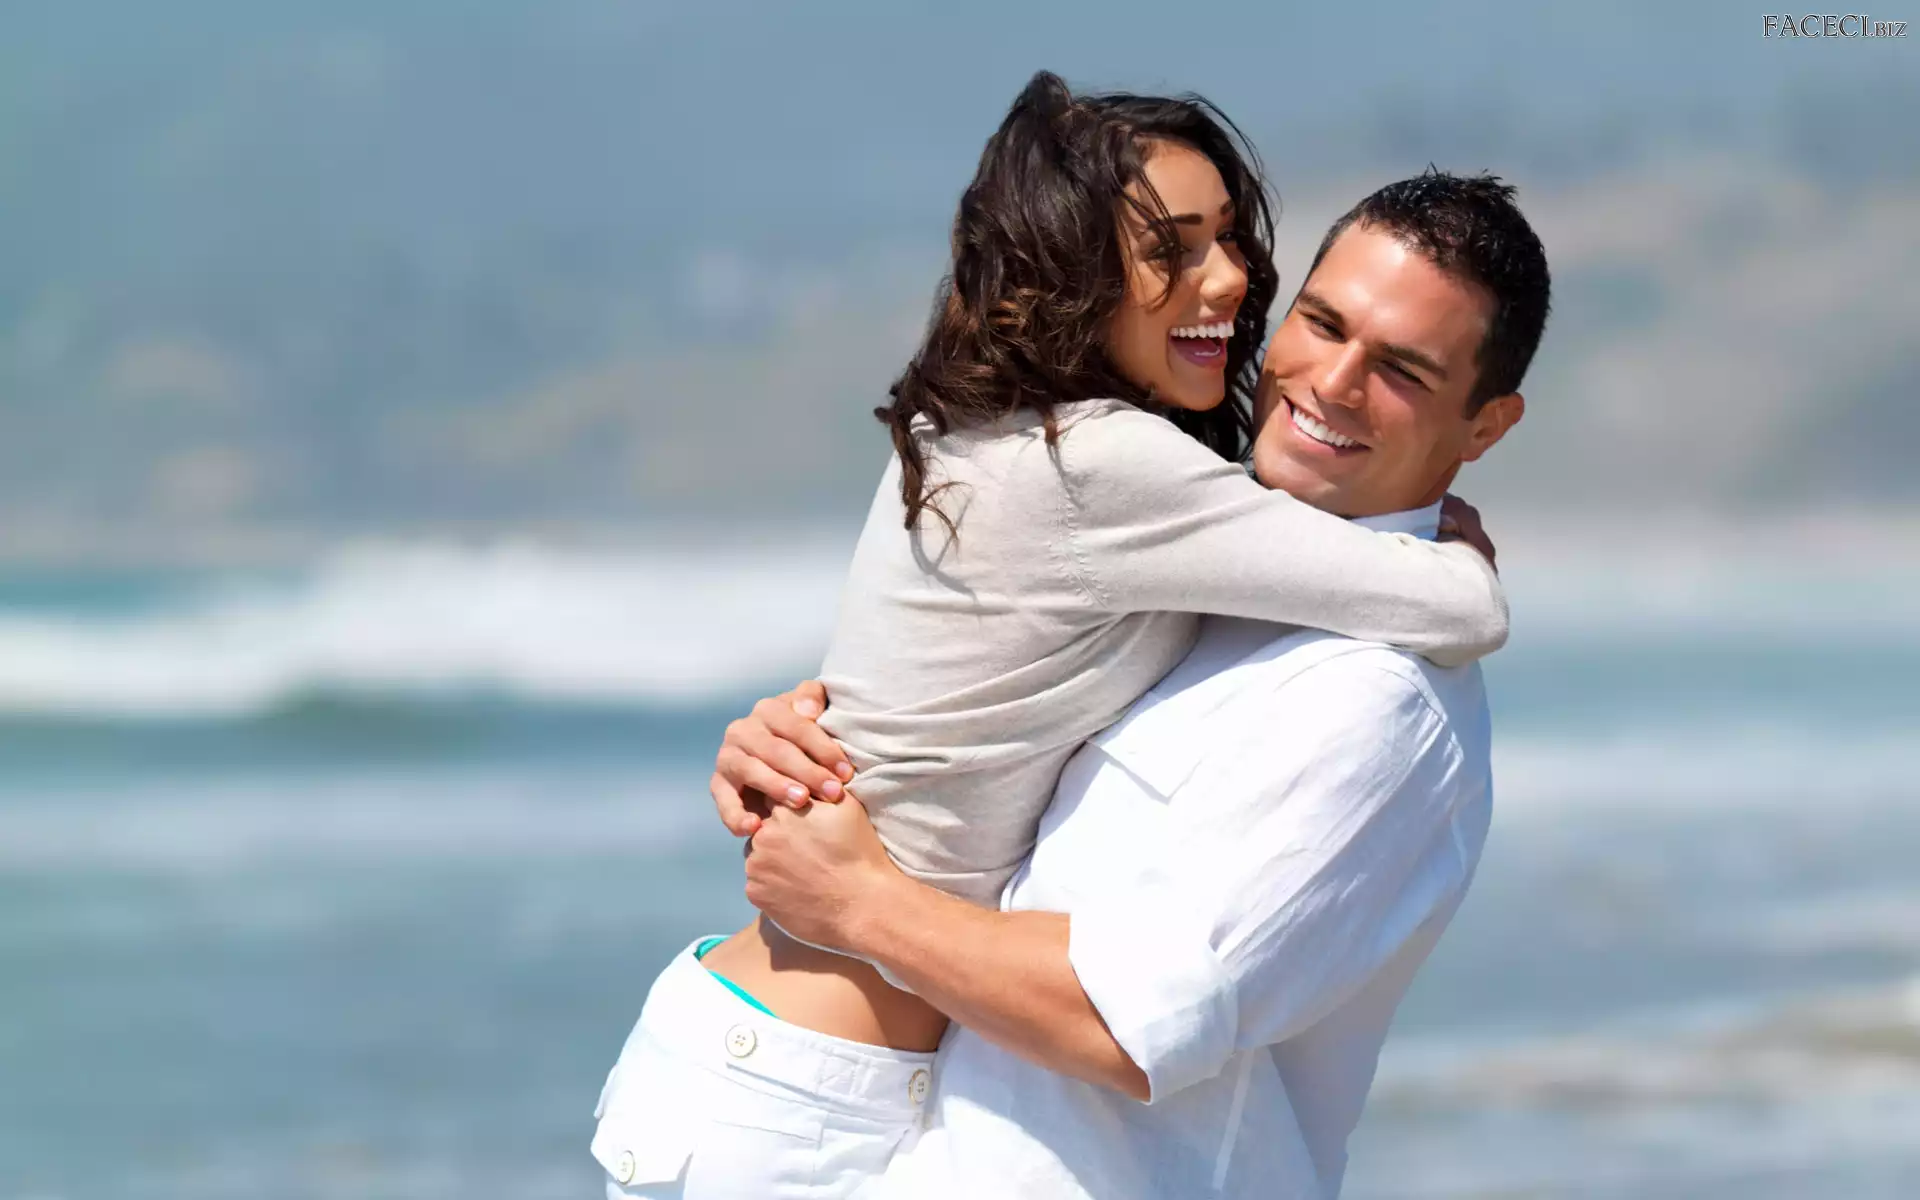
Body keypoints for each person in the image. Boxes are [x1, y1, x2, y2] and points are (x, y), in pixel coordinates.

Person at [589, 70, 1508, 1198]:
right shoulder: (1104, 469)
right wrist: (1455, 553)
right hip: (804, 1086)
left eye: (1227, 239)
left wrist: (808, 779)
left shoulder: (1020, 441)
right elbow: (1465, 611)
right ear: (1074, 272)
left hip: (787, 1058)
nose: (1228, 278)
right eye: (1172, 250)